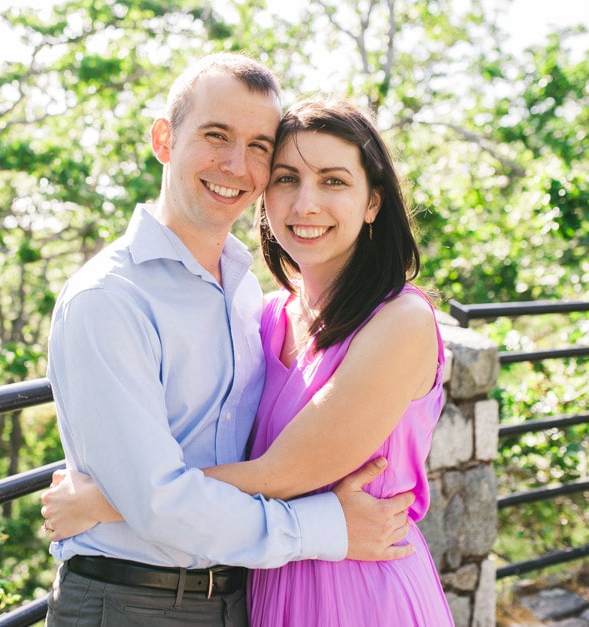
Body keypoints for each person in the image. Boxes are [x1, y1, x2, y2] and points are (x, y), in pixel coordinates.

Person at [42, 96, 455, 625]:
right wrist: (138, 489)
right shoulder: (263, 314)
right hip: (261, 586)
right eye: (286, 178)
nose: (305, 203)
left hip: (359, 584)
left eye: (333, 181)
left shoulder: (399, 320)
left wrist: (111, 502)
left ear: (373, 201)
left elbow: (277, 473)